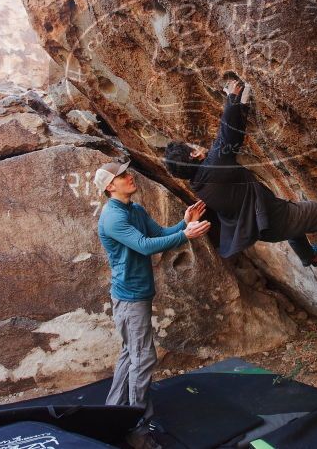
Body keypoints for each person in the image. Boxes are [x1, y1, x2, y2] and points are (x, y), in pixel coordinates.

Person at [163, 76, 317, 267]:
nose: (196, 145)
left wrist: (241, 105)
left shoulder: (198, 184)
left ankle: (309, 257)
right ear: (194, 155)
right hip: (277, 218)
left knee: (292, 223)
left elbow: (230, 139)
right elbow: (227, 135)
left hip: (264, 227)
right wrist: (232, 97)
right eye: (191, 147)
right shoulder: (214, 167)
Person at [94, 160, 210, 448]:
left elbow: (157, 234)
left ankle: (113, 414)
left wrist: (184, 222)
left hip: (138, 295)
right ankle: (137, 429)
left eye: (127, 173)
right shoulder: (112, 217)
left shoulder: (135, 210)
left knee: (130, 354)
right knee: (143, 358)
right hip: (129, 297)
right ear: (110, 186)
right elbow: (144, 246)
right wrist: (186, 235)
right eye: (122, 175)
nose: (130, 177)